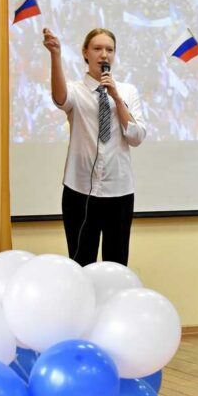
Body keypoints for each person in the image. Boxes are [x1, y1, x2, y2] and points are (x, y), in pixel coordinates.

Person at [43, 27, 146, 267]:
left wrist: (117, 98)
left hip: (118, 192)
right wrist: (55, 55)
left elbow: (136, 136)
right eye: (97, 48)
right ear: (85, 53)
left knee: (117, 264)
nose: (104, 55)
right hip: (79, 191)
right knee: (81, 262)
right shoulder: (76, 91)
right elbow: (59, 99)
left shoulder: (128, 91)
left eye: (110, 50)